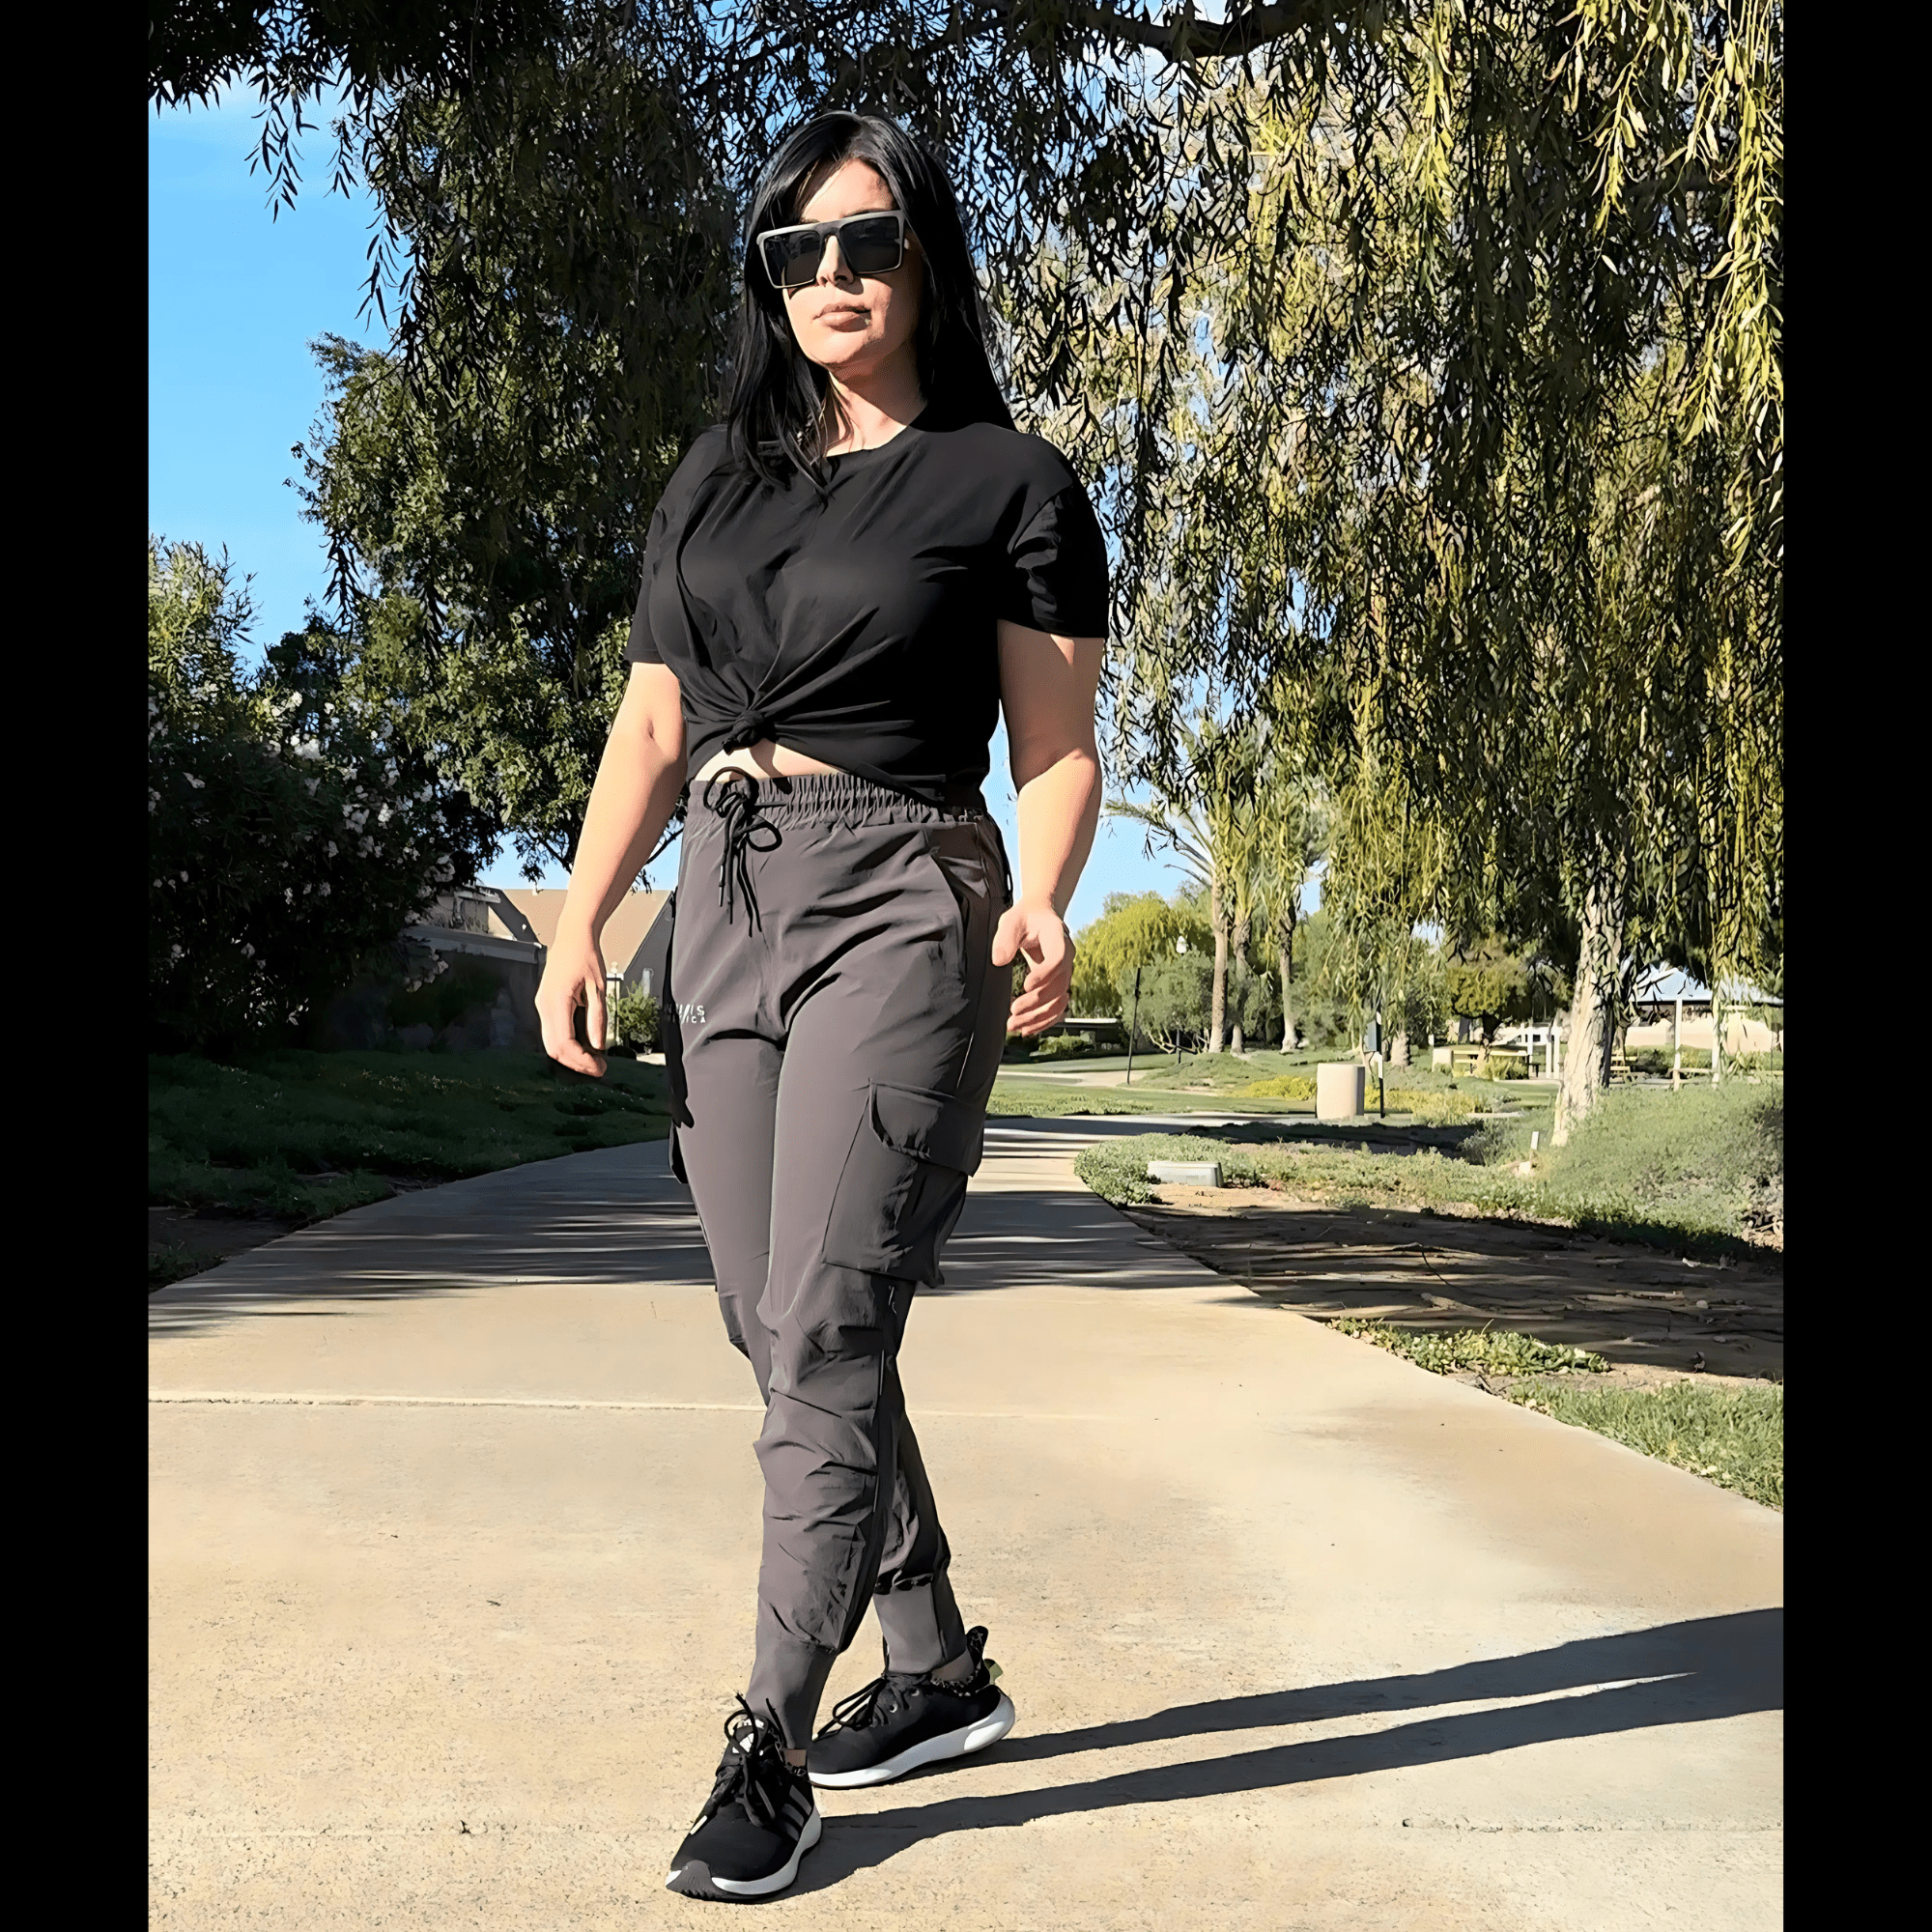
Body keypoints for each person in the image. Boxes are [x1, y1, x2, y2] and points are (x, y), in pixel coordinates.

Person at [535, 109, 1106, 1903]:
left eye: (864, 245)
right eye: (797, 254)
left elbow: (1061, 745)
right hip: (723, 885)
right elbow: (650, 724)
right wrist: (581, 920)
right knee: (768, 1318)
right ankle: (931, 1663)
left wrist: (1040, 892)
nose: (832, 279)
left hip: (901, 890)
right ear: (767, 281)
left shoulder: (1008, 480)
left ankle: (771, 1742)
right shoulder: (715, 473)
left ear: (924, 258)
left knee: (830, 1325)